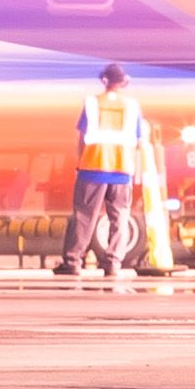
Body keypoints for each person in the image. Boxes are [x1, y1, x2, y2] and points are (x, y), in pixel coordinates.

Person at [67, 66, 149, 282]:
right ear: (125, 81)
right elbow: (139, 140)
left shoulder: (92, 103)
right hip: (122, 170)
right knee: (120, 217)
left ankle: (73, 262)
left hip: (93, 168)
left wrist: (80, 162)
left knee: (84, 217)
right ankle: (112, 264)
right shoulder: (132, 106)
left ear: (104, 80)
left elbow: (82, 137)